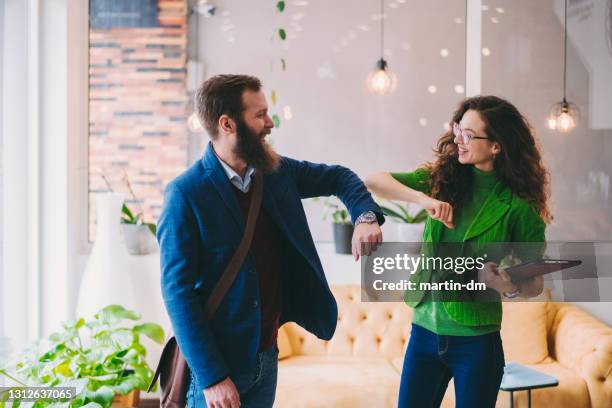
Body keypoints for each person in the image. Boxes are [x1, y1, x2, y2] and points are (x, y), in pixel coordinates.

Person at [157, 74, 384, 408]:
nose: (269, 123)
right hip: (218, 371)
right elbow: (177, 295)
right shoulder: (185, 194)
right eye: (259, 114)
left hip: (266, 358)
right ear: (228, 124)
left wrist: (365, 217)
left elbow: (339, 177)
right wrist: (213, 377)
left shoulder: (276, 173)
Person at [365, 95, 551, 408]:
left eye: (468, 134)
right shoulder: (441, 179)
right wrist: (422, 200)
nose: (457, 139)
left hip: (476, 343)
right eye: (457, 130)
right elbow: (374, 180)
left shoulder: (519, 208)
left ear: (496, 146)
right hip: (423, 333)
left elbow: (536, 282)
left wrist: (509, 285)